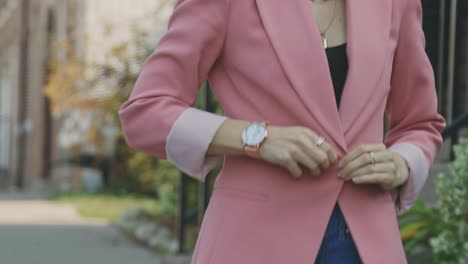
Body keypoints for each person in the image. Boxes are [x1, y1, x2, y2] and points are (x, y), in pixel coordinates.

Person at [118, 0, 446, 262]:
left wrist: (400, 162)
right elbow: (145, 111)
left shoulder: (396, 4)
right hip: (254, 240)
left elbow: (420, 123)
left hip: (366, 244)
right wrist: (258, 138)